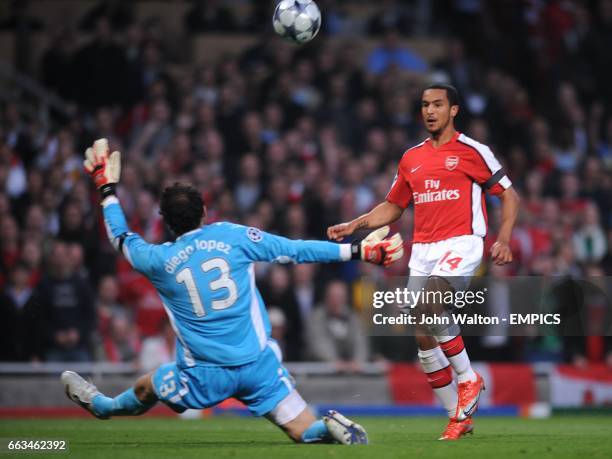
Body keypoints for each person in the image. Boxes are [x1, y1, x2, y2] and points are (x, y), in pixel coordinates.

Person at [62, 139, 404, 445]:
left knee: (148, 386)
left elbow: (119, 238)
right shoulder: (232, 236)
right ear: (205, 212)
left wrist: (106, 188)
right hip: (258, 365)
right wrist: (358, 252)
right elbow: (295, 250)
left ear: (165, 220)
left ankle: (102, 406)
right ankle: (325, 428)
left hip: (206, 375)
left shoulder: (157, 260)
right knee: (302, 429)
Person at [327, 84, 520, 440]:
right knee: (423, 335)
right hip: (424, 249)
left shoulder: (473, 151)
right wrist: (356, 223)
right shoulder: (411, 157)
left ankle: (468, 378)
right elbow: (394, 206)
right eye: (425, 105)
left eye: (438, 105)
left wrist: (504, 238)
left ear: (454, 110)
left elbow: (509, 195)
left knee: (429, 308)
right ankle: (457, 417)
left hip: (462, 242)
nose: (430, 111)